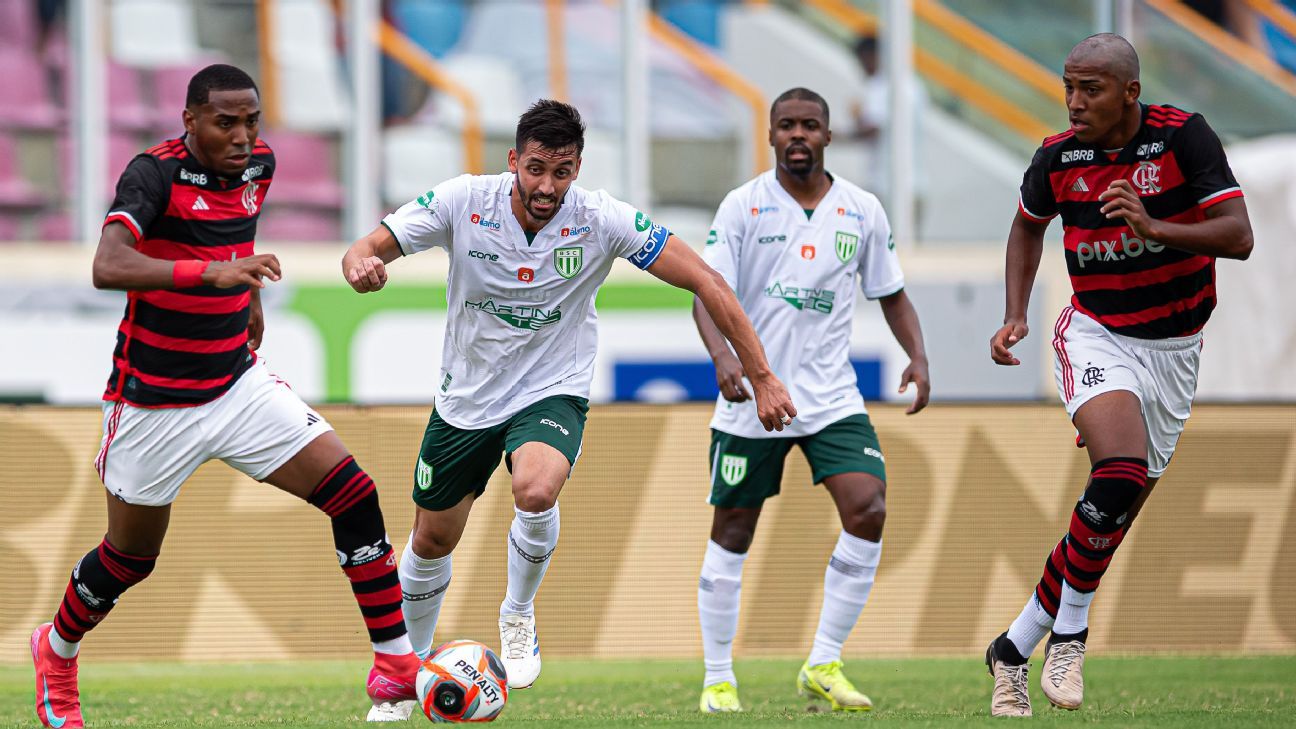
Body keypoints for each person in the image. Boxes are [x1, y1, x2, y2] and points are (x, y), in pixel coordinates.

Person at [340, 99, 797, 691]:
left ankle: (518, 612)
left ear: (577, 169)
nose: (546, 185)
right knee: (431, 539)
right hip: (468, 397)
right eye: (535, 169)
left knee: (535, 488)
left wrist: (762, 375)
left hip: (551, 388)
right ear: (513, 162)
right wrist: (361, 265)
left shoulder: (602, 219)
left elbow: (706, 279)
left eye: (561, 171)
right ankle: (402, 676)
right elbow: (367, 246)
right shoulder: (461, 201)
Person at [29, 64, 422, 728]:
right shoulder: (151, 174)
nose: (243, 137)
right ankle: (57, 650)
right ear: (190, 122)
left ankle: (396, 666)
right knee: (129, 560)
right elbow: (109, 264)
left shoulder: (258, 166)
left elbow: (232, 234)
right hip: (152, 402)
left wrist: (251, 294)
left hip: (236, 383)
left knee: (354, 494)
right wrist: (212, 276)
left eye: (252, 121)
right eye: (225, 123)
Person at [986, 34, 1252, 716]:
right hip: (1098, 333)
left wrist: (1156, 225)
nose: (1075, 102)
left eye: (1091, 89)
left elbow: (1238, 235)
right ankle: (1070, 634)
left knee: (1109, 514)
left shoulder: (1182, 139)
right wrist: (1015, 312)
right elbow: (1026, 226)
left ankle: (1013, 647)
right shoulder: (1057, 157)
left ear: (1130, 93)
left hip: (1176, 349)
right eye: (1068, 87)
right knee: (1120, 475)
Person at [693, 87, 930, 714]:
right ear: (770, 135)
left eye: (811, 126)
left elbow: (891, 292)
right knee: (733, 531)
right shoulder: (743, 206)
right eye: (787, 126)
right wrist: (724, 359)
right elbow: (705, 290)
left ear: (829, 135)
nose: (799, 135)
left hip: (830, 397)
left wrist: (918, 355)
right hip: (750, 397)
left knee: (869, 507)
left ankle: (823, 661)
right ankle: (719, 678)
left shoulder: (862, 209)